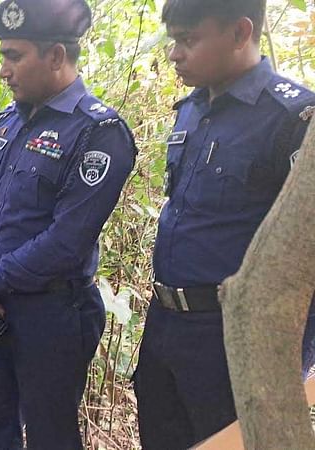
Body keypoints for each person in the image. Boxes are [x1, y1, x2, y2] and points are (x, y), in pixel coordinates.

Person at [132, 1, 315, 448]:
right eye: (174, 39)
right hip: (167, 324)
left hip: (232, 339)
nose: (175, 53)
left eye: (189, 39)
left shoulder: (293, 120)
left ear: (240, 32)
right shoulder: (190, 110)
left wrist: (295, 359)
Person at [0, 0, 137, 448]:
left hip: (53, 314)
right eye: (3, 56)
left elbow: (65, 241)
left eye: (14, 56)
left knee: (49, 434)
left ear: (56, 56)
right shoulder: (9, 123)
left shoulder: (99, 133)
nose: (3, 70)